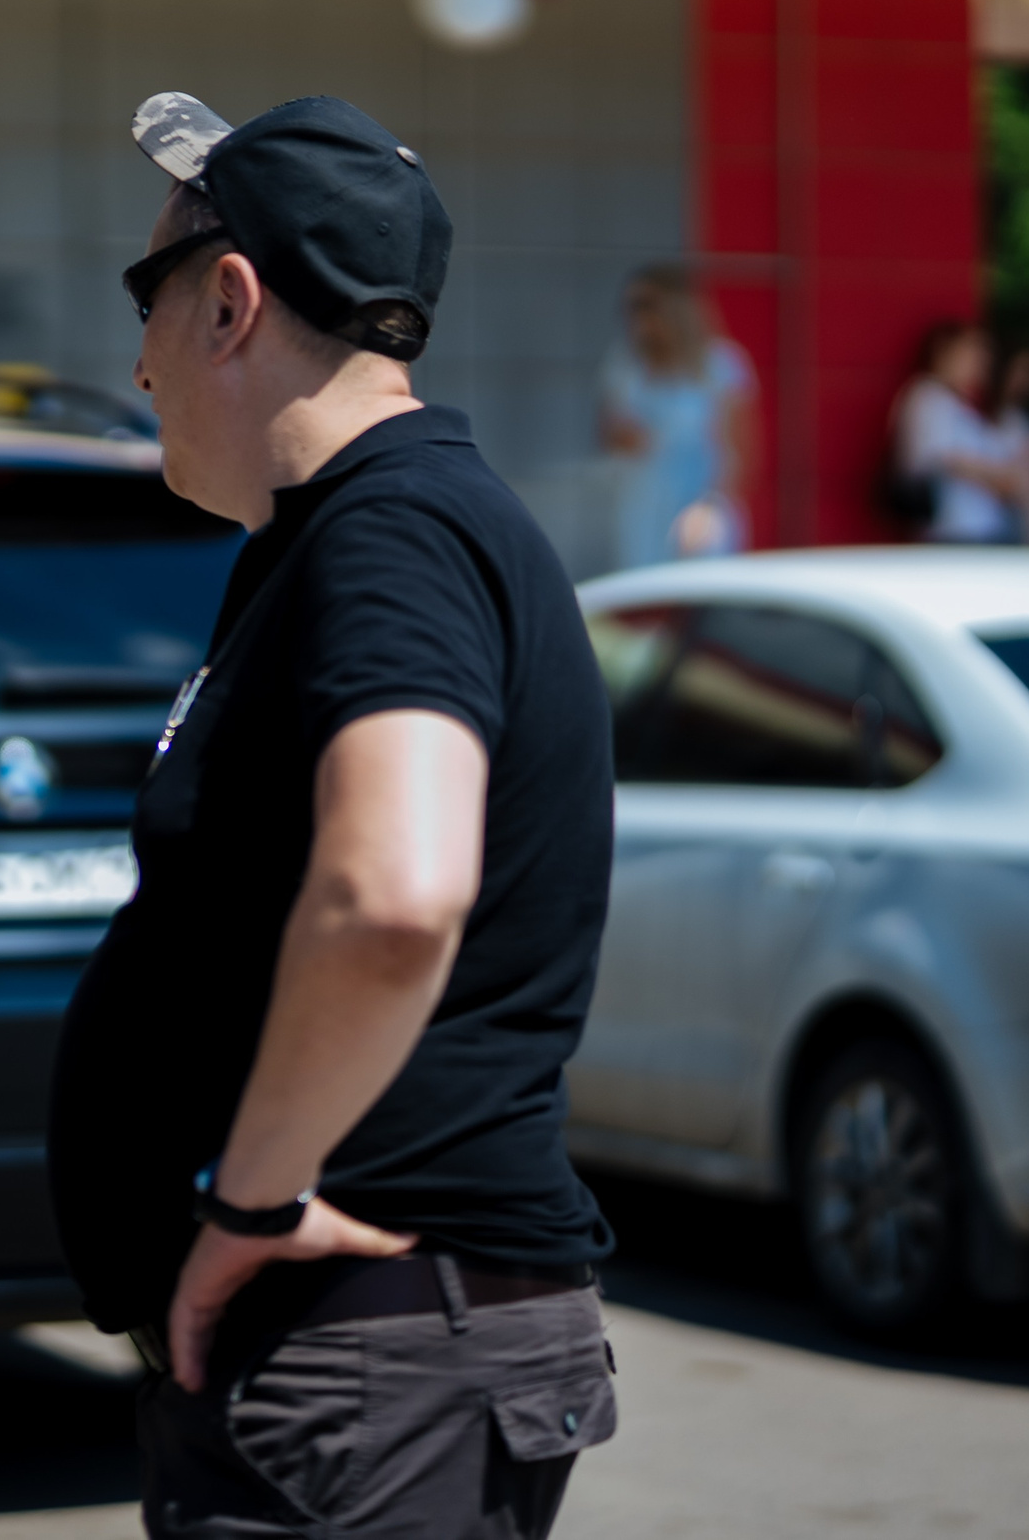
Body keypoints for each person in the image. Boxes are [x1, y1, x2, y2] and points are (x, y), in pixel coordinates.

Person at [49, 92, 618, 1540]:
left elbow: (395, 892)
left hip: (367, 1347)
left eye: (150, 296)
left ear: (231, 302)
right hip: (362, 1358)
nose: (136, 357)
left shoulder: (394, 531)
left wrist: (249, 1204)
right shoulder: (339, 534)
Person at [599, 263, 758, 564]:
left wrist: (713, 507)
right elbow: (609, 434)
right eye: (631, 307)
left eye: (646, 306)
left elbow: (743, 449)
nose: (637, 317)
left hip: (703, 509)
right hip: (642, 508)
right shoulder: (625, 366)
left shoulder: (722, 365)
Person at [895, 320, 1029, 546]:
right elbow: (944, 459)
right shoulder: (928, 397)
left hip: (985, 532)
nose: (979, 362)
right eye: (971, 352)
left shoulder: (962, 406)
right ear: (944, 353)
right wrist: (1002, 478)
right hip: (956, 533)